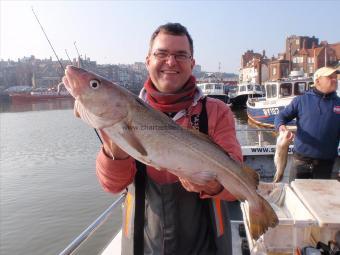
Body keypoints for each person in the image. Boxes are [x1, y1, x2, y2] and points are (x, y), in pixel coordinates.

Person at [96, 23, 242, 255]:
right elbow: (112, 185)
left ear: (192, 63)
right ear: (148, 61)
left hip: (206, 244)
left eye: (181, 55)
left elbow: (235, 187)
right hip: (142, 243)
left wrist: (213, 186)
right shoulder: (121, 108)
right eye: (161, 54)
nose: (171, 62)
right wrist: (117, 145)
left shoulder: (217, 111)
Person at [275, 66, 340, 180]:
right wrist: (282, 128)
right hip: (300, 161)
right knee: (296, 194)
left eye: (335, 77)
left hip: (326, 164)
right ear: (318, 80)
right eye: (330, 77)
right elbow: (281, 116)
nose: (335, 79)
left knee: (320, 197)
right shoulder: (301, 100)